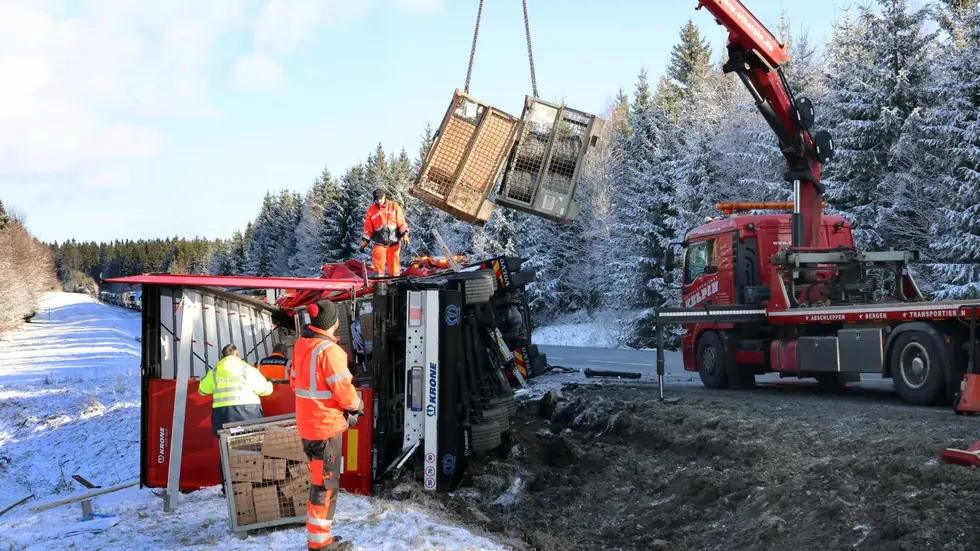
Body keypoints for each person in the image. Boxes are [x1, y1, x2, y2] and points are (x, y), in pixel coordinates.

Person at [289, 299, 362, 551]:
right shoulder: (330, 352)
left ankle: (322, 539)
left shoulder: (301, 345)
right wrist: (356, 405)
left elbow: (295, 383)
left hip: (309, 428)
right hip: (326, 430)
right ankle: (320, 545)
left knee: (320, 482)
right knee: (325, 488)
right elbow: (345, 393)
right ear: (333, 323)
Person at [198, 343, 273, 492]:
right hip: (248, 415)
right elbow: (265, 390)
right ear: (237, 355)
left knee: (226, 453)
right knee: (253, 449)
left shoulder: (215, 372)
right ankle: (254, 486)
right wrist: (270, 383)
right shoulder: (247, 370)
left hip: (224, 416)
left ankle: (228, 489)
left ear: (223, 356)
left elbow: (202, 390)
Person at [360, 188, 409, 277]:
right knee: (378, 268)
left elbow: (401, 222)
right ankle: (378, 282)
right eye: (376, 200)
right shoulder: (371, 210)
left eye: (380, 199)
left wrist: (404, 234)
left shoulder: (394, 206)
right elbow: (368, 227)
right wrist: (365, 241)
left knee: (394, 269)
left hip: (394, 242)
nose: (379, 201)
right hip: (379, 243)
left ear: (384, 196)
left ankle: (395, 282)